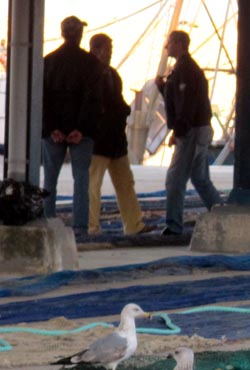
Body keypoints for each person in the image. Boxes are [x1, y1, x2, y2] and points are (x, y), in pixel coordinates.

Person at [155, 30, 222, 237]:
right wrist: (163, 87)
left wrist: (178, 130)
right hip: (199, 128)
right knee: (200, 178)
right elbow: (181, 98)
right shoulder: (185, 69)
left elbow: (186, 104)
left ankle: (174, 226)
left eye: (169, 43)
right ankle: (222, 214)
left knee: (175, 179)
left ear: (179, 43)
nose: (166, 48)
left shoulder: (184, 70)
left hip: (192, 130)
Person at [41, 16, 104, 235]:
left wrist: (52, 128)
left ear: (62, 33)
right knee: (81, 181)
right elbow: (93, 99)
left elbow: (43, 99)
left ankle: (47, 223)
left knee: (49, 180)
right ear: (80, 35)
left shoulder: (48, 61)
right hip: (82, 133)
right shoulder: (92, 64)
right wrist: (81, 128)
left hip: (53, 133)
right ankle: (79, 227)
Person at [87, 34, 151, 236]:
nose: (110, 53)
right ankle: (91, 227)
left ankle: (134, 224)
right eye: (107, 48)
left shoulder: (112, 75)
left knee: (125, 183)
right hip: (98, 140)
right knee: (93, 186)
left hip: (115, 141)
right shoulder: (89, 74)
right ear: (97, 49)